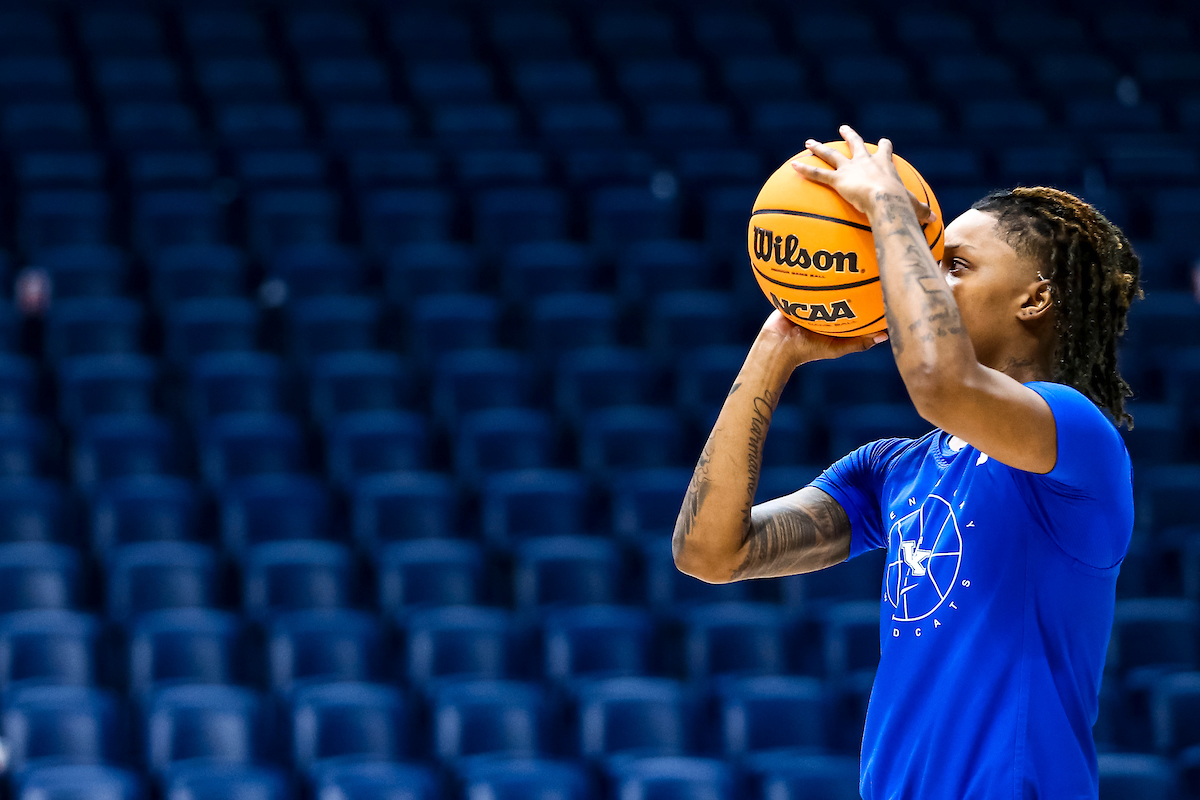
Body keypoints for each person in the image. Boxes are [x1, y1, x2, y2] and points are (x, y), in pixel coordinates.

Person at [672, 125, 1141, 799]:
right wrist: (776, 348)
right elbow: (710, 553)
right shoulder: (894, 470)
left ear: (1034, 298)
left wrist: (889, 208)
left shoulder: (1078, 435)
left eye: (953, 263)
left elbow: (938, 385)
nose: (928, 274)